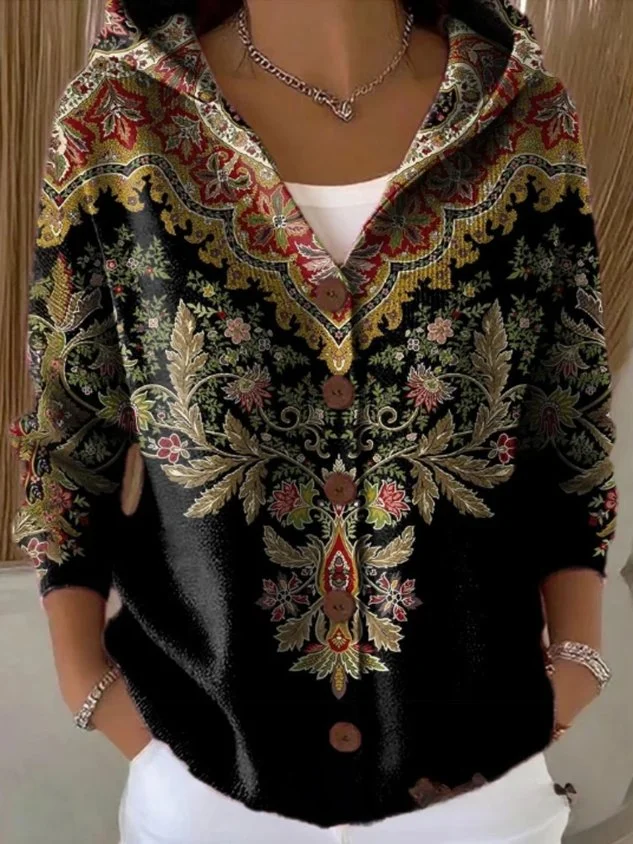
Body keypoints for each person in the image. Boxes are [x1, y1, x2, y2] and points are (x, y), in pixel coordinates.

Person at [8, 0, 617, 841]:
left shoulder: (521, 114)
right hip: (205, 781)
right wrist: (90, 686)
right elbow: (71, 430)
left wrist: (575, 663)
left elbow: (566, 413)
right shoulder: (120, 116)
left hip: (483, 785)